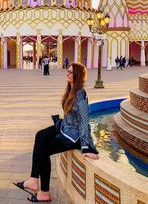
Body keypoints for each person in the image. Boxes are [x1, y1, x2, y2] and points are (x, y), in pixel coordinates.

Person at [13, 63, 99, 202]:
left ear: (76, 75)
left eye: (70, 72)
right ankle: (34, 180)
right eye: (68, 71)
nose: (67, 74)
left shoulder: (81, 95)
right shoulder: (71, 91)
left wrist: (85, 147)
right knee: (40, 136)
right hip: (65, 127)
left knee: (43, 150)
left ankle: (43, 192)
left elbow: (84, 122)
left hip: (73, 136)